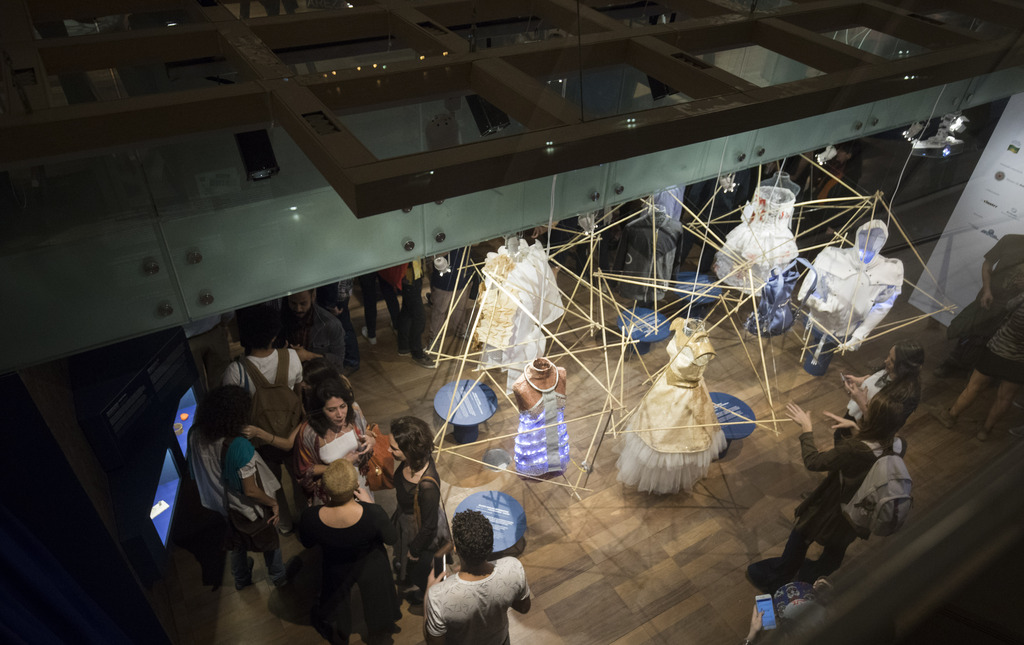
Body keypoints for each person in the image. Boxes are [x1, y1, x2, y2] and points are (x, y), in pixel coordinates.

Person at [746, 396, 908, 593]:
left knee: (801, 534)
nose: (865, 408)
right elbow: (875, 454)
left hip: (832, 504)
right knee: (837, 546)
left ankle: (779, 577)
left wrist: (806, 429)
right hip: (860, 509)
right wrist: (855, 428)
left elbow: (814, 461)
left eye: (869, 409)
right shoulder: (900, 445)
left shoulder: (853, 450)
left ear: (874, 421)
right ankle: (813, 578)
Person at [186, 386, 287, 589]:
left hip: (217, 505)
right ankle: (279, 577)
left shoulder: (194, 433)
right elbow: (250, 490)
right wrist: (273, 503)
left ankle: (241, 579)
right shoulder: (238, 446)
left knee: (235, 541)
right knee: (269, 539)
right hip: (245, 507)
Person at [298, 459, 401, 645]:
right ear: (355, 486)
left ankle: (340, 632)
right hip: (369, 560)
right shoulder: (373, 513)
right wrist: (370, 504)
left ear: (325, 489)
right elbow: (391, 538)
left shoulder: (310, 517)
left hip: (336, 562)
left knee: (335, 598)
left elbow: (307, 543)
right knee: (377, 585)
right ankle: (379, 632)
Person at [224, 304, 305, 535]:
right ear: (274, 334)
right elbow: (298, 394)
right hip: (293, 433)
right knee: (300, 478)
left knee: (271, 484)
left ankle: (284, 524)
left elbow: (234, 411)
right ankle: (305, 517)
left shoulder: (235, 371)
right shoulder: (291, 357)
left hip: (259, 441)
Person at [424, 509, 531, 645]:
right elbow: (524, 608)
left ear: (455, 549)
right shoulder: (513, 567)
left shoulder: (438, 595)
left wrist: (427, 596)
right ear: (491, 545)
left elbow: (433, 642)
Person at [935, 291, 1024, 440]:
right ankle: (985, 431)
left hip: (998, 349)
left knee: (974, 386)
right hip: (1020, 360)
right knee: (1005, 397)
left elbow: (1009, 306)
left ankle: (951, 416)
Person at [934, 234, 1024, 377]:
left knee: (990, 339)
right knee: (970, 330)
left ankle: (973, 370)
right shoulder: (1010, 240)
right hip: (990, 297)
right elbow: (987, 264)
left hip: (1013, 307)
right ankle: (952, 363)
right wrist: (987, 290)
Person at [389, 416, 445, 605]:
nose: (389, 451)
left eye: (394, 449)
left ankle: (424, 593)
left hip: (418, 528)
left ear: (410, 450)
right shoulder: (414, 461)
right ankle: (405, 569)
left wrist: (414, 550)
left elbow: (429, 526)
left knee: (419, 566)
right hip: (406, 519)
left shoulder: (427, 487)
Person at [293, 378, 372, 506]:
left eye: (343, 406)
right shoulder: (309, 434)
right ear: (320, 409)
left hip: (359, 483)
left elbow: (366, 431)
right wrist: (341, 465)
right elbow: (304, 470)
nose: (340, 414)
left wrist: (370, 440)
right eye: (331, 410)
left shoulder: (354, 413)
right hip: (332, 492)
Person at [839, 340, 923, 439]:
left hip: (863, 431)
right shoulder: (891, 371)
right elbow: (878, 378)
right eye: (888, 355)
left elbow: (878, 426)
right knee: (839, 434)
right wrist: (861, 381)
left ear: (904, 367)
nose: (885, 361)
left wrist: (861, 403)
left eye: (892, 361)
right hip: (855, 415)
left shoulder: (904, 396)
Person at [280, 289, 347, 373]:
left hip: (318, 376)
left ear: (313, 296)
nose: (298, 309)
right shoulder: (282, 318)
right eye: (293, 303)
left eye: (303, 303)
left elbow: (338, 361)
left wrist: (309, 356)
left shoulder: (331, 324)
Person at [397, 259, 436, 368]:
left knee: (406, 311)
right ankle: (417, 353)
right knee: (419, 318)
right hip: (409, 276)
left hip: (413, 275)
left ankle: (404, 346)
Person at [317, 280, 360, 374]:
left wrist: (331, 303)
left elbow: (331, 277)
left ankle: (351, 361)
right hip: (341, 290)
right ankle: (350, 360)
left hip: (336, 293)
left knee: (344, 328)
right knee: (344, 326)